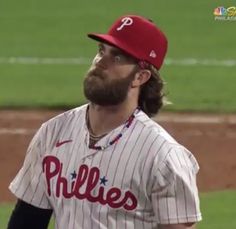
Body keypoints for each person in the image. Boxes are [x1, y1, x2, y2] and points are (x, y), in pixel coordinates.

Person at [8, 15, 202, 229]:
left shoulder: (164, 157)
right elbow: (26, 222)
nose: (101, 61)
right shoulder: (53, 133)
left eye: (117, 57)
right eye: (102, 50)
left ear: (141, 77)